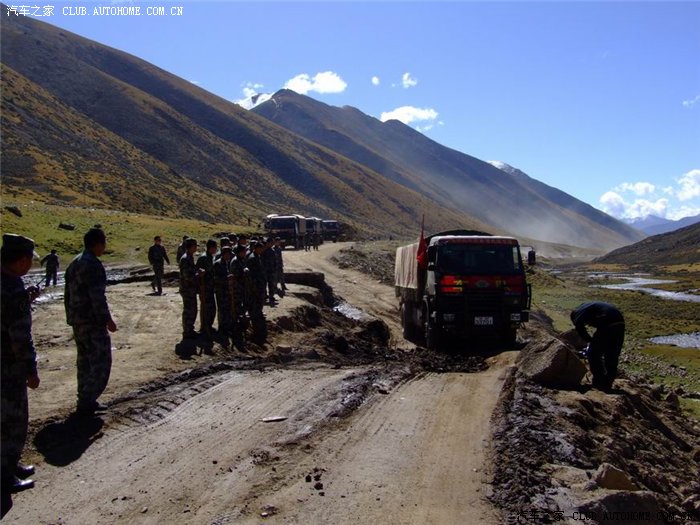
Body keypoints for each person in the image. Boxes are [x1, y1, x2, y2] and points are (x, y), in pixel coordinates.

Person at [1, 234, 41, 514]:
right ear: (21, 260)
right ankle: (5, 477)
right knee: (12, 421)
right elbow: (19, 336)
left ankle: (9, 464)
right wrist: (30, 369)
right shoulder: (12, 289)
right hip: (8, 367)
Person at [64, 228, 117, 415]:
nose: (105, 246)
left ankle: (84, 398)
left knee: (84, 360)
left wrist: (70, 317)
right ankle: (88, 397)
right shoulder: (92, 264)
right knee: (101, 360)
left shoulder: (75, 262)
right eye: (104, 242)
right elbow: (97, 297)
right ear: (98, 243)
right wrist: (107, 320)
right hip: (92, 321)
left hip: (78, 321)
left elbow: (67, 294)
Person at [570, 302, 625, 391]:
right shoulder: (587, 307)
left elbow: (580, 328)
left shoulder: (578, 314)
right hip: (620, 323)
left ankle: (599, 381)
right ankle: (608, 383)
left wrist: (590, 341)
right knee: (612, 355)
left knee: (593, 354)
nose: (587, 325)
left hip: (608, 323)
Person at [246, 241, 267, 343]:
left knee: (258, 306)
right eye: (261, 248)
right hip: (255, 288)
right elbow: (252, 276)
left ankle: (258, 324)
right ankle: (256, 328)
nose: (262, 250)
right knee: (255, 307)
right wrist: (254, 288)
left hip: (260, 286)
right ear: (256, 248)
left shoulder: (257, 256)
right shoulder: (252, 258)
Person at [196, 239, 217, 340]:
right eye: (215, 248)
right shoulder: (203, 258)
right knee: (205, 308)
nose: (216, 250)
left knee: (212, 308)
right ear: (211, 248)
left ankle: (209, 325)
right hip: (204, 287)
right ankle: (204, 327)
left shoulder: (210, 257)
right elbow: (198, 273)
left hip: (210, 287)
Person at [179, 238, 199, 339]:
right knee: (188, 310)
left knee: (193, 310)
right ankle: (187, 331)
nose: (196, 248)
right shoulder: (185, 259)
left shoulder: (190, 257)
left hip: (191, 289)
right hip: (187, 289)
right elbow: (187, 276)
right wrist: (198, 274)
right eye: (195, 246)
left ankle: (190, 329)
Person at [213, 246, 234, 339]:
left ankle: (227, 326)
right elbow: (216, 278)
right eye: (229, 254)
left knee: (227, 309)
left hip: (226, 289)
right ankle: (222, 328)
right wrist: (227, 278)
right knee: (222, 309)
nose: (230, 256)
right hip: (221, 290)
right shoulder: (218, 264)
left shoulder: (226, 263)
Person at [261, 237, 278, 306]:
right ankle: (264, 297)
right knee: (264, 285)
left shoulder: (272, 250)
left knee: (271, 284)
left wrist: (275, 268)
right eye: (270, 243)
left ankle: (271, 297)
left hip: (271, 271)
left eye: (272, 243)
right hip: (264, 271)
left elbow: (274, 261)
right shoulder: (263, 251)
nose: (271, 244)